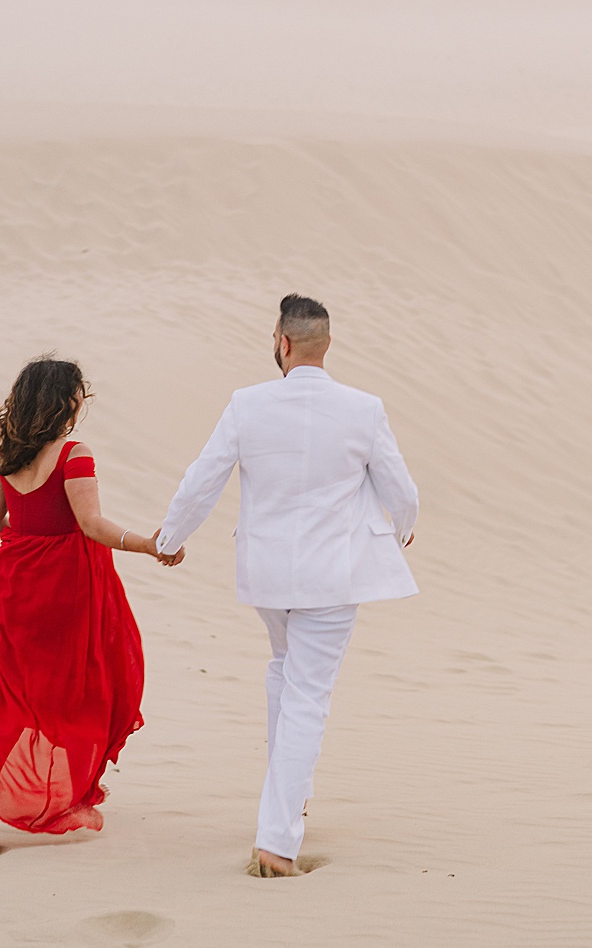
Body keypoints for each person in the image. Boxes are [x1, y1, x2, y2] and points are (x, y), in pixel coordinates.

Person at [149, 294, 418, 877]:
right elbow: (402, 488)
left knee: (284, 674)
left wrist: (170, 537)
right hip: (333, 578)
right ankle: (277, 841)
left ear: (282, 341)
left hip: (268, 577)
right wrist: (404, 529)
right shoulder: (364, 408)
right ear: (326, 344)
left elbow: (203, 479)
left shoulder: (247, 405)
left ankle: (288, 796)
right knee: (307, 698)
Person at [0, 357, 161, 863]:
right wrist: (147, 545)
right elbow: (91, 524)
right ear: (64, 400)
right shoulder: (74, 453)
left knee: (15, 694)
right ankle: (47, 796)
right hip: (66, 588)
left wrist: (28, 542)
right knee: (85, 687)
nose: (80, 404)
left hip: (14, 584)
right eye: (78, 395)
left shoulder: (8, 452)